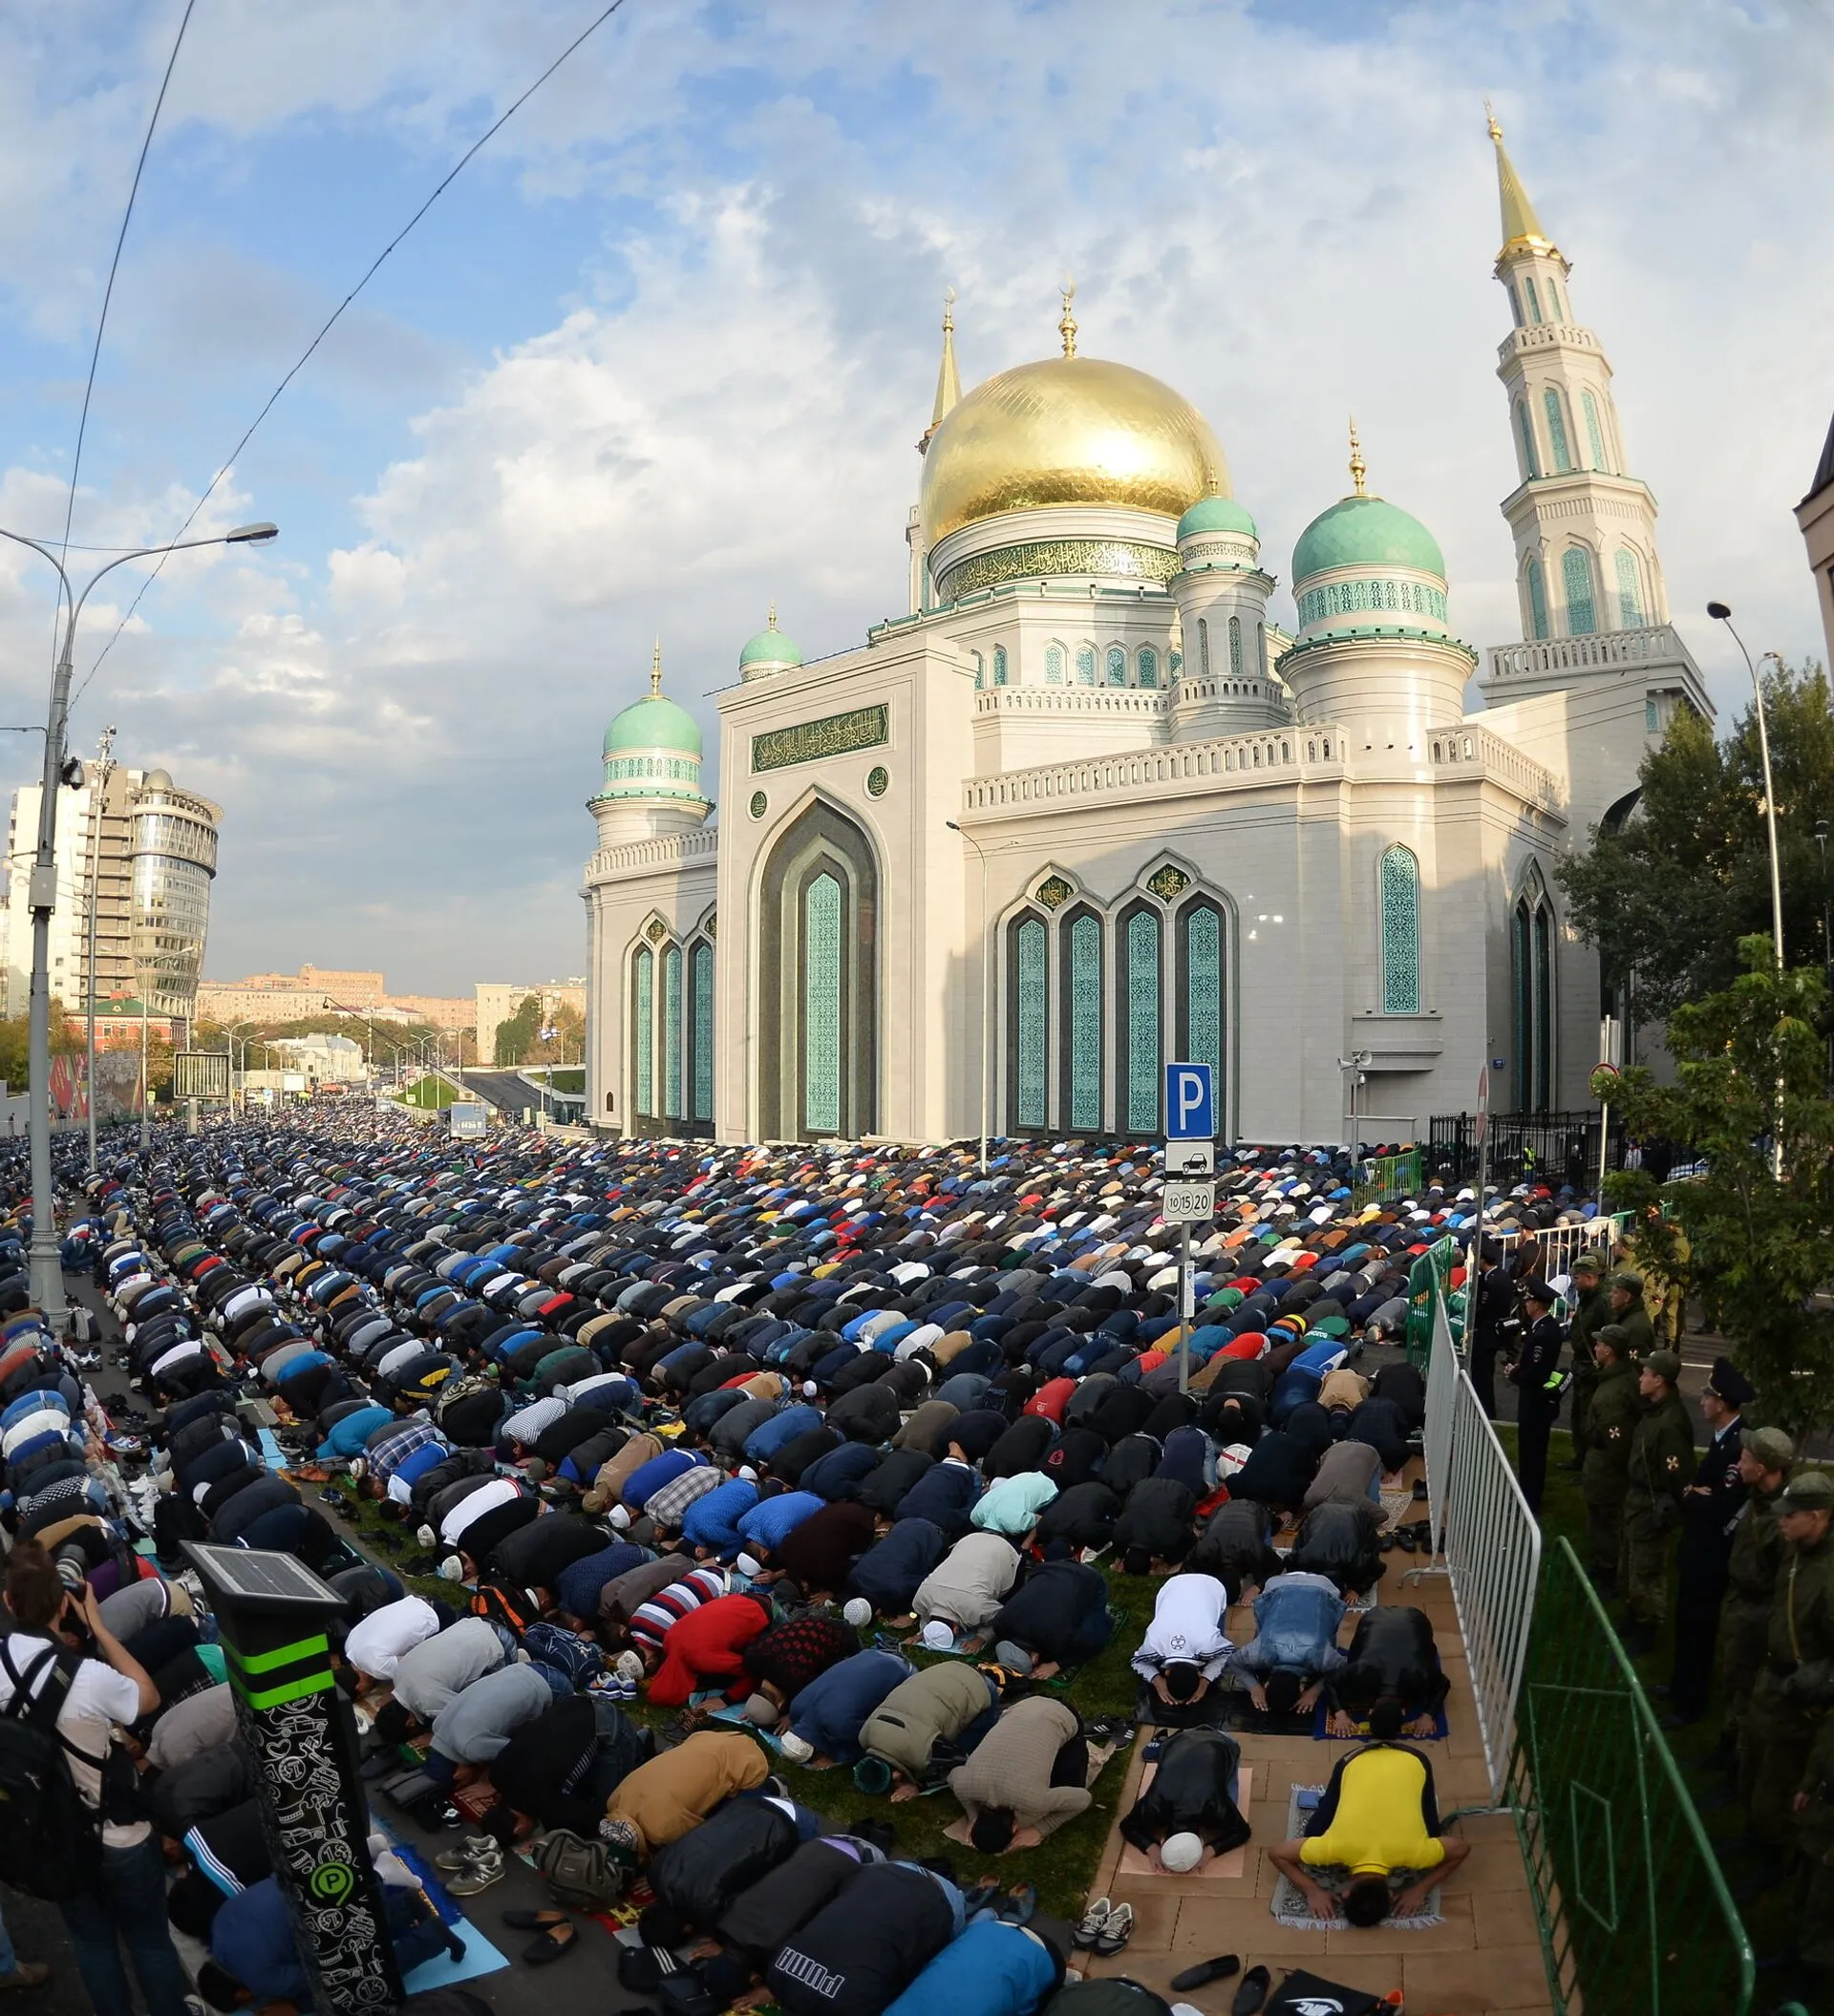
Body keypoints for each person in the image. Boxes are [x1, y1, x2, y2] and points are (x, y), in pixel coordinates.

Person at [0, 1542, 192, 2016]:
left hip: (49, 1833)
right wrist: (100, 1629)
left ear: (8, 1602)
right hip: (118, 1833)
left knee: (91, 1941)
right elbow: (146, 1697)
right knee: (148, 1942)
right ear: (65, 1602)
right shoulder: (85, 1675)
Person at [1267, 1704, 1470, 1925]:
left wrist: (1420, 1888)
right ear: (1346, 1894)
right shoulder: (1331, 1848)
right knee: (1314, 1833)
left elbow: (1461, 1850)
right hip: (1373, 1759)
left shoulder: (1418, 1854)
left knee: (1314, 1831)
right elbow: (1278, 1854)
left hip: (1398, 1759)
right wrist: (1421, 1889)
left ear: (1390, 1895)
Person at [1738, 1473, 1834, 1863]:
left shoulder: (1828, 1579)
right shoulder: (1797, 1549)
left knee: (1779, 1781)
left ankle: (1773, 1857)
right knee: (1754, 1761)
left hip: (1799, 1698)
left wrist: (1819, 1679)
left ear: (1816, 1517)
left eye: (1790, 1516)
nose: (1782, 1521)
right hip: (1770, 1679)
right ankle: (1753, 1836)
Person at [1659, 1356, 1753, 1729]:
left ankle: (1690, 1703)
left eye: (1709, 1396)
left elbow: (1720, 1505)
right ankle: (1679, 1684)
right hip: (1698, 1547)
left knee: (1699, 1627)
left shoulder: (1735, 1448)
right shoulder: (1723, 1439)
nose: (1702, 1400)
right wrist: (1698, 1494)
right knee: (1686, 1621)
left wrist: (1693, 1496)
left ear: (1723, 1403)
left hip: (1712, 1554)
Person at [1711, 1427, 1794, 1772]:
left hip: (1757, 1617)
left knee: (1747, 1693)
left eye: (1746, 1457)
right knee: (1734, 1684)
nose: (1739, 1461)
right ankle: (1727, 1745)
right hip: (1739, 1605)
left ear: (1762, 1469)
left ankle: (1739, 1767)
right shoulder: (1758, 1502)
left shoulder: (1780, 1520)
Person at [948, 1695, 1112, 1852]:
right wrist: (972, 1814)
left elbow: (1084, 1799)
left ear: (1014, 1827)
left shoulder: (1034, 1802)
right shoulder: (964, 1786)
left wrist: (1040, 1829)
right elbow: (952, 1775)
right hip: (1020, 1706)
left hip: (1063, 1714)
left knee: (1072, 1783)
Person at [1619, 1348, 1693, 1654]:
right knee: (1632, 1564)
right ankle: (1633, 1615)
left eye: (1647, 1374)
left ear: (1659, 1380)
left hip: (1652, 1506)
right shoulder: (1653, 1410)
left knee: (1647, 1570)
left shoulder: (1670, 1423)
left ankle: (1647, 1626)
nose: (1641, 1378)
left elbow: (1677, 1475)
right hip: (1637, 1500)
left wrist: (1667, 1505)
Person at [1115, 1726, 1249, 1871]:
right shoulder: (1154, 1805)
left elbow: (1242, 1831)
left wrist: (1210, 1851)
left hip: (1222, 1742)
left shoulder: (1215, 1805)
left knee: (1229, 1804)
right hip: (1178, 1741)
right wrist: (1151, 1847)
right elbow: (1127, 1825)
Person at [1231, 1569, 1345, 1717]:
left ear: (1301, 1687)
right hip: (1278, 1582)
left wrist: (1315, 1691)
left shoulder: (1321, 1656)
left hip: (1322, 1586)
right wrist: (1254, 1687)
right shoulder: (1260, 1651)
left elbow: (1342, 1667)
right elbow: (1233, 1661)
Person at [1325, 1605, 1449, 1738]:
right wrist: (1340, 1714)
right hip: (1387, 1617)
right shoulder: (1362, 1670)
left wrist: (1427, 1716)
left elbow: (1444, 1684)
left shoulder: (1420, 1674)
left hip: (1408, 1618)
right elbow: (1330, 1682)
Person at [1579, 1324, 1637, 1598]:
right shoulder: (1615, 1378)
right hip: (1603, 1464)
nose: (1596, 1348)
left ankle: (1607, 1571)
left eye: (1600, 1344)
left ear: (1610, 1351)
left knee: (1604, 1520)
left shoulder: (1614, 1390)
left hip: (1606, 1470)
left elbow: (1615, 1440)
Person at [1129, 1572, 1232, 1712]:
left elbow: (1227, 1652)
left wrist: (1205, 1682)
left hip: (1211, 1587)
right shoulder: (1154, 1644)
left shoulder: (1208, 1644)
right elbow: (1137, 1661)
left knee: (1215, 1627)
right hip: (1173, 1585)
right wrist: (1157, 1681)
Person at [1508, 1279, 1565, 1516]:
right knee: (1529, 1451)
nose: (1526, 1304)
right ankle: (1527, 1494)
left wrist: (1514, 1374)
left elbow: (1536, 1373)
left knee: (1532, 1452)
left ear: (1538, 1304)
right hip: (1533, 1400)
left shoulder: (1544, 1333)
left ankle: (1530, 1501)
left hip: (1536, 1402)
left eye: (1529, 1300)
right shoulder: (1542, 1327)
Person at [1559, 1248, 1610, 1472]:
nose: (1575, 1283)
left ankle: (1589, 1466)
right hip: (1582, 1367)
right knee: (1578, 1418)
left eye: (1577, 1278)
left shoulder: (1601, 1303)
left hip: (1593, 1371)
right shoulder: (1588, 1299)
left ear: (1590, 1277)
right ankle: (1580, 1459)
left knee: (1590, 1421)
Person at [1468, 1241, 1513, 1421]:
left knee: (1482, 1377)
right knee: (1482, 1376)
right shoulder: (1500, 1276)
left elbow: (1483, 1308)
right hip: (1492, 1332)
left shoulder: (1492, 1281)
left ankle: (1485, 1413)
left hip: (1488, 1333)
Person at [1606, 1270, 1655, 1364]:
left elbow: (1635, 1366)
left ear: (1627, 1297)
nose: (1610, 1295)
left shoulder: (1636, 1328)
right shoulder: (1627, 1317)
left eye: (1615, 1292)